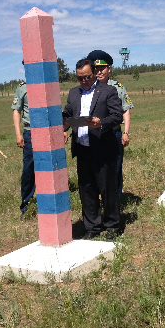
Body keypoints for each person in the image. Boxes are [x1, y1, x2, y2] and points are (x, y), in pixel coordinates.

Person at [62, 57, 123, 240]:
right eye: (80, 78)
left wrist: (100, 123)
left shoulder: (108, 91)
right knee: (86, 189)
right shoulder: (73, 93)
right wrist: (64, 124)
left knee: (107, 189)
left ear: (94, 73)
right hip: (82, 149)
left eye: (87, 77)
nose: (84, 81)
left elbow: (117, 116)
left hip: (103, 149)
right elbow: (67, 114)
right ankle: (92, 227)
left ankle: (112, 225)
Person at [91, 50, 133, 199]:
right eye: (96, 69)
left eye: (102, 68)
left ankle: (115, 202)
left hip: (114, 133)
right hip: (95, 135)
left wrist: (126, 133)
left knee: (115, 168)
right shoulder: (90, 88)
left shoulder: (117, 87)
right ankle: (98, 200)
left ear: (109, 69)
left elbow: (125, 111)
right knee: (96, 169)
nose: (99, 72)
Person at [12, 79, 35, 216]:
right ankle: (26, 204)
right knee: (29, 169)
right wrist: (18, 133)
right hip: (30, 132)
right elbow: (17, 110)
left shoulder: (46, 81)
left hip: (48, 131)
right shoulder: (23, 88)